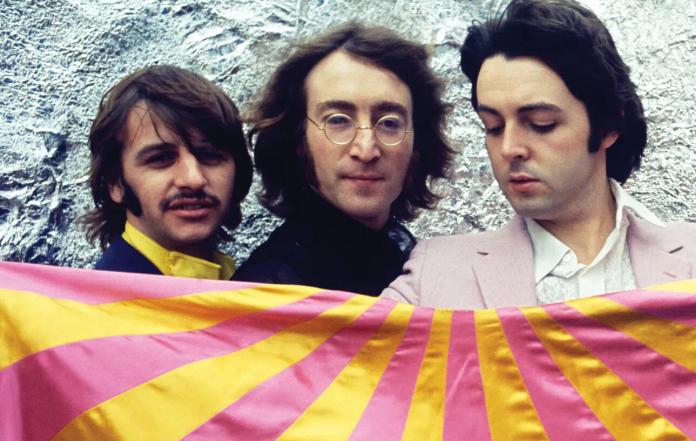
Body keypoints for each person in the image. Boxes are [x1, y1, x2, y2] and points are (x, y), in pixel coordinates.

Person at [383, 0, 696, 308]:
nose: (509, 148)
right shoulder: (435, 274)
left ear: (608, 126)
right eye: (492, 127)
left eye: (541, 123)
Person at [233, 23, 454, 295]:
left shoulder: (412, 259)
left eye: (389, 123)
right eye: (338, 120)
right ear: (298, 142)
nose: (366, 150)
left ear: (417, 145)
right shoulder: (266, 294)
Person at [81, 65, 252, 279]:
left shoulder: (256, 283)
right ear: (115, 183)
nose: (194, 179)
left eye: (209, 155)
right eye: (161, 159)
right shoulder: (99, 299)